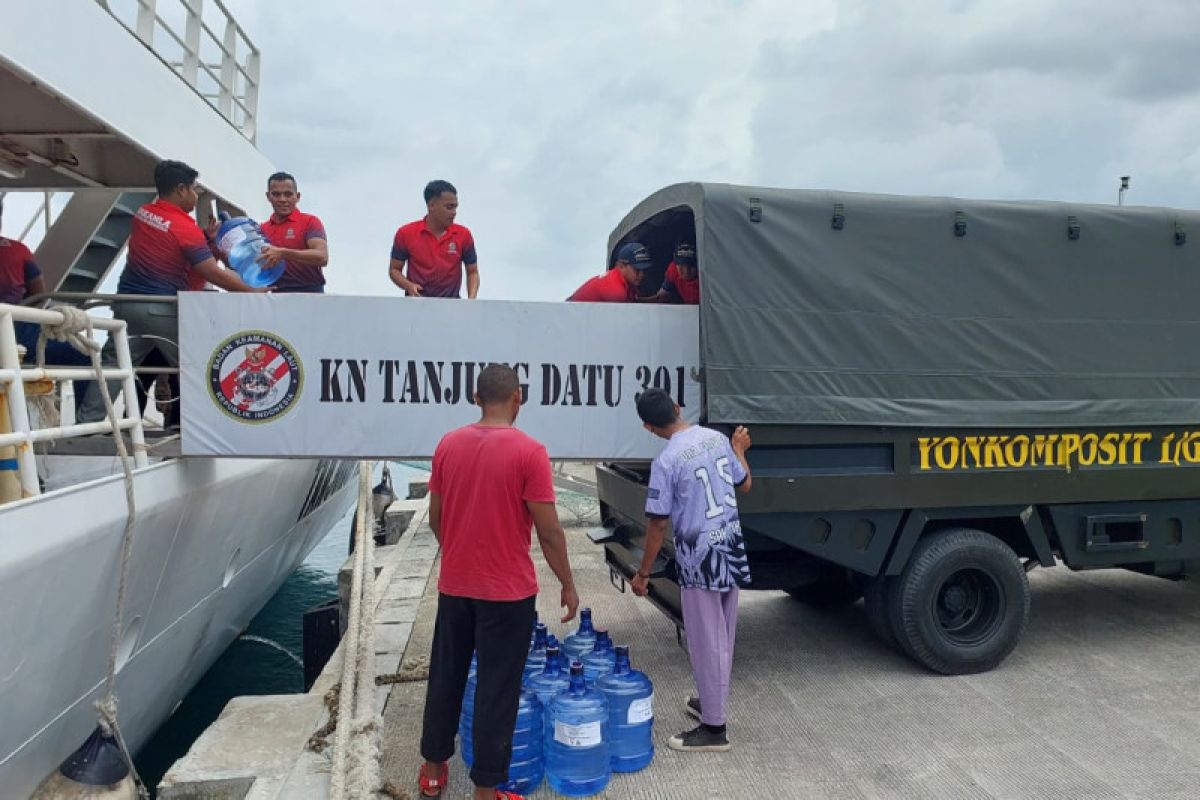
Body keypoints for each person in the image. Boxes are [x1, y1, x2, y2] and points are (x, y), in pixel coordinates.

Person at [417, 363, 579, 800]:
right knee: (497, 688)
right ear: (518, 398)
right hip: (507, 594)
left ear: (475, 398)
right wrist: (567, 581)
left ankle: (432, 771)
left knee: (446, 676)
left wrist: (458, 554)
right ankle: (486, 792)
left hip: (455, 586)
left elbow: (436, 517)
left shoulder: (448, 445)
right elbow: (548, 531)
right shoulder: (530, 451)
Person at [77, 159, 262, 423]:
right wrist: (252, 291)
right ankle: (210, 429)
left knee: (113, 364)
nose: (196, 195)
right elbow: (210, 271)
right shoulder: (184, 228)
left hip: (126, 305)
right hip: (160, 310)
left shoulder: (143, 214)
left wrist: (205, 240)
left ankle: (87, 424)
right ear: (181, 189)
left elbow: (170, 248)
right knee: (198, 366)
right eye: (194, 189)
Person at [630, 388, 753, 753]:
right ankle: (712, 702)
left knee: (705, 641)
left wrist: (643, 574)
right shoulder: (716, 439)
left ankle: (714, 729)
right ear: (678, 408)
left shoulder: (666, 462)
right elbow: (744, 482)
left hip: (699, 558)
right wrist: (740, 451)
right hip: (730, 546)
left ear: (649, 427)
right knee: (723, 634)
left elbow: (657, 525)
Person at [389, 180, 479, 298]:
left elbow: (472, 271)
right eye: (449, 207)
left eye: (455, 207)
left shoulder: (464, 235)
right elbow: (394, 270)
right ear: (431, 206)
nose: (454, 213)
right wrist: (408, 286)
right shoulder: (405, 233)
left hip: (451, 306)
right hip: (416, 305)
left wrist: (471, 300)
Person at [258, 171, 329, 293]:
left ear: (297, 196)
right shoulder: (262, 229)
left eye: (288, 194)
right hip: (275, 296)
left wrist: (283, 253)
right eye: (276, 194)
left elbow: (322, 257)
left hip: (310, 294)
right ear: (268, 196)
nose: (282, 199)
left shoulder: (310, 221)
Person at [0, 195, 46, 355]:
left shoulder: (18, 250)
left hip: (11, 326)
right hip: (13, 325)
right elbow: (39, 295)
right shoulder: (18, 250)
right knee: (82, 356)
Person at [566, 242, 653, 302]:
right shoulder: (616, 290)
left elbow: (635, 301)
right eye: (637, 269)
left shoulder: (625, 282)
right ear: (621, 266)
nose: (641, 275)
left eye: (644, 270)